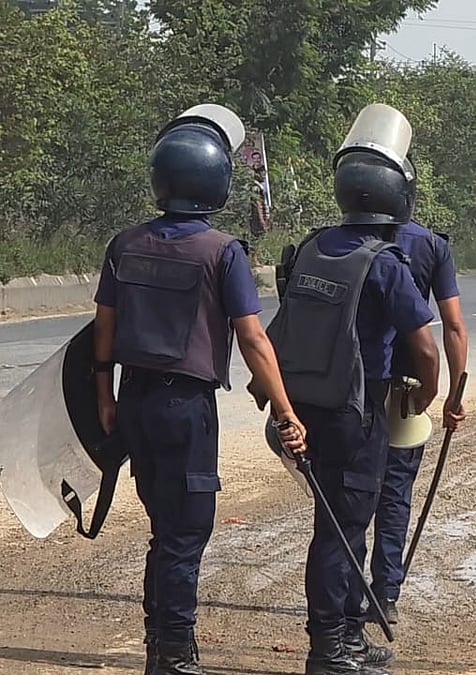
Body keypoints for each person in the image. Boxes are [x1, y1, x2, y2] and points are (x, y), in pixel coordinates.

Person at [91, 104, 307, 675]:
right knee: (187, 532)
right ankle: (172, 656)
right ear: (217, 182)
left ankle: (162, 646)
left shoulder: (124, 244)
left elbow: (103, 332)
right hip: (185, 409)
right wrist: (286, 411)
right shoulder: (222, 251)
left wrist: (106, 400)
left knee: (166, 530)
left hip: (133, 402)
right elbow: (255, 340)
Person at [265, 103, 441, 675]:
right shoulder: (386, 262)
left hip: (306, 407)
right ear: (398, 196)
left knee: (337, 525)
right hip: (355, 413)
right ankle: (329, 649)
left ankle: (345, 634)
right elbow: (426, 347)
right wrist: (426, 394)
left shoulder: (313, 245)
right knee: (341, 530)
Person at [369, 214, 468, 625]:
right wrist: (450, 396)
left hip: (351, 388)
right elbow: (454, 326)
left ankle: (340, 596)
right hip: (407, 392)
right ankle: (385, 595)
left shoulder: (340, 239)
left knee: (347, 494)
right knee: (394, 494)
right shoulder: (432, 247)